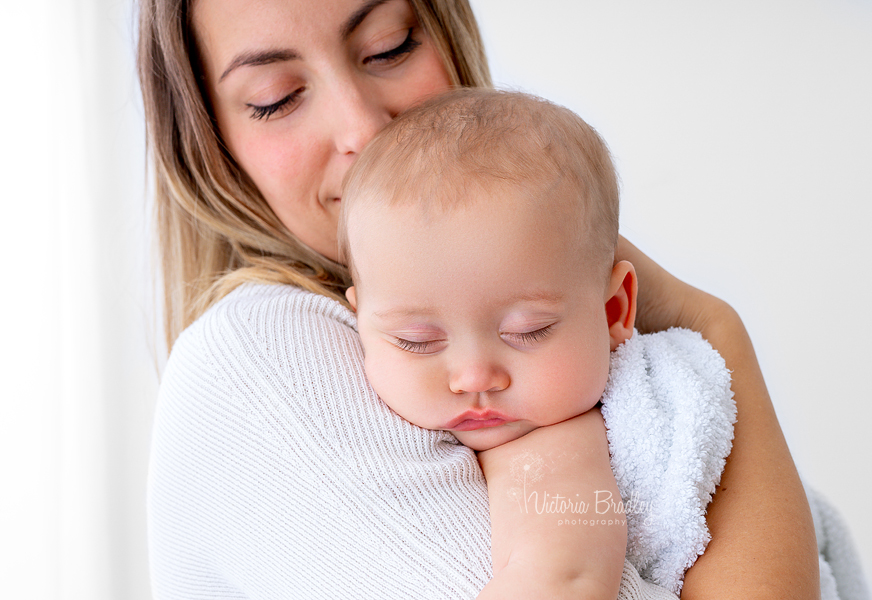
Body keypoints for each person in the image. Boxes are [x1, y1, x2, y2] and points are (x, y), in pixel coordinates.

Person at [139, 0, 819, 598]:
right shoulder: (261, 354)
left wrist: (706, 326)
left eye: (388, 46)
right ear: (211, 149)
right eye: (277, 96)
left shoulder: (599, 351)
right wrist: (712, 325)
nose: (364, 129)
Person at [341, 88, 635, 599]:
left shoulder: (556, 448)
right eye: (417, 341)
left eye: (527, 331)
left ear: (613, 311)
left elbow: (564, 579)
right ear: (357, 322)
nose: (474, 377)